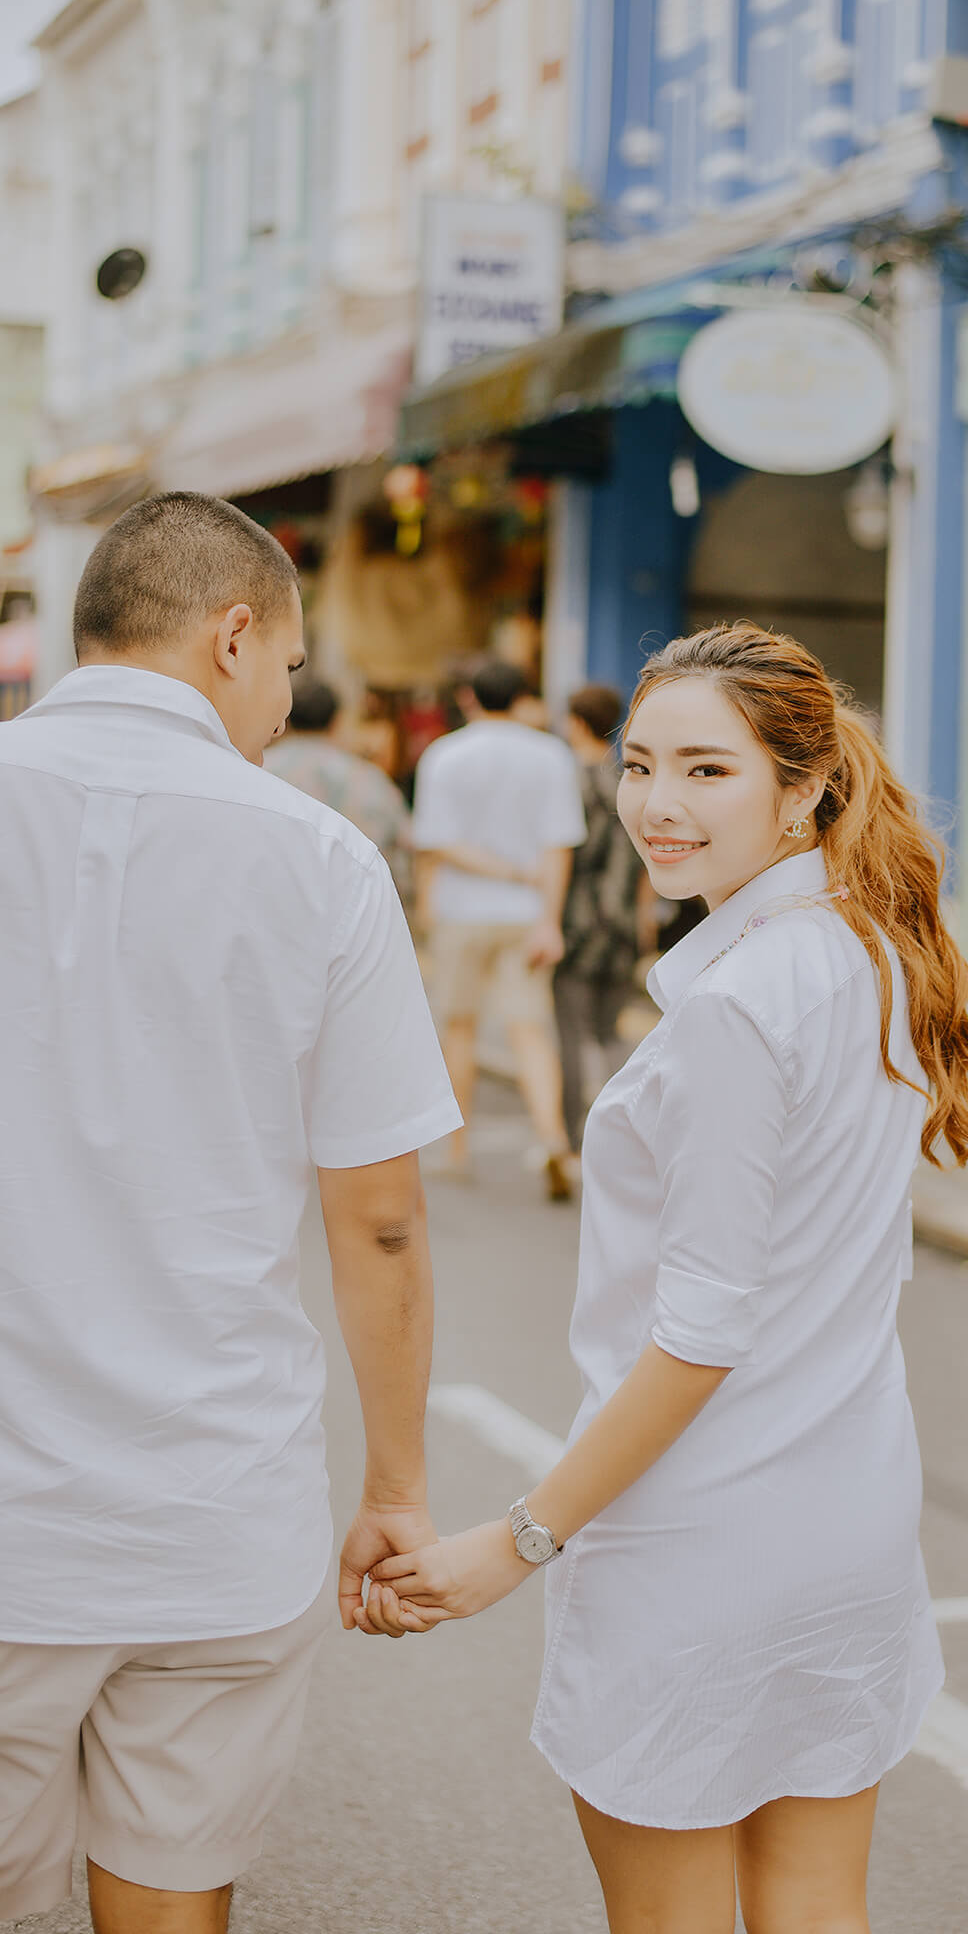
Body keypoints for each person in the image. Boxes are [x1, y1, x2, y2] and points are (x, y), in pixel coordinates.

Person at [358, 622, 968, 1934]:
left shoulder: (739, 1005)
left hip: (698, 1540)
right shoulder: (871, 952)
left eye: (706, 771)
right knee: (817, 1907)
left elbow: (700, 1333)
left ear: (803, 786)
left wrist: (518, 1541)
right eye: (640, 764)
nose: (655, 803)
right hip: (846, 1521)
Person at [0, 492, 461, 1934]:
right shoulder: (319, 859)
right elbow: (377, 1218)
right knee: (177, 1902)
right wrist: (392, 1490)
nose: (279, 709)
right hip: (214, 1520)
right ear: (232, 634)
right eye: (283, 670)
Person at [414, 657, 586, 1200]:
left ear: (469, 699)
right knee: (530, 1031)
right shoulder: (551, 755)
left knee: (459, 1028)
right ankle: (554, 1140)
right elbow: (559, 847)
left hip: (462, 912)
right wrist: (549, 920)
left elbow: (435, 842)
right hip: (524, 915)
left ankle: (457, 1149)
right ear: (520, 699)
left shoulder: (444, 755)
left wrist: (428, 906)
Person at [554, 683, 653, 1150]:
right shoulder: (630, 781)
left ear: (575, 722)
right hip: (624, 923)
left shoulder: (569, 780)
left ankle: (577, 1139)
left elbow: (564, 858)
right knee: (611, 1030)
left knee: (572, 1034)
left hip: (577, 922)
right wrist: (644, 923)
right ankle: (625, 1129)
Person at [266, 672, 413, 895]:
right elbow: (404, 842)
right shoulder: (369, 778)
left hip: (276, 901)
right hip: (352, 904)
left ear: (286, 719)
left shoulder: (259, 771)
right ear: (337, 721)